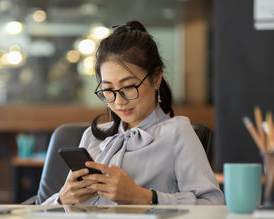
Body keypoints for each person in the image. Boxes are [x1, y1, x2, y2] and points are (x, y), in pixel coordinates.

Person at [42, 20, 224, 207]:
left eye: (129, 87)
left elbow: (213, 203)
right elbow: (39, 215)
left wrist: (144, 197)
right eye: (108, 89)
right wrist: (62, 199)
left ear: (156, 78)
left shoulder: (177, 131)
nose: (119, 101)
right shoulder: (91, 137)